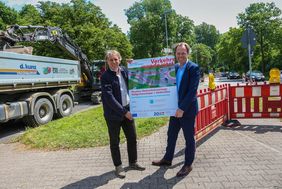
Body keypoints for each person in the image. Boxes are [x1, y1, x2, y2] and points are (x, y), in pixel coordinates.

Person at [152, 42, 200, 177]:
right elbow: (157, 72)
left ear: (187, 53)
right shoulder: (174, 67)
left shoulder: (193, 68)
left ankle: (188, 165)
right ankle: (167, 159)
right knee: (171, 135)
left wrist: (182, 108)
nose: (180, 55)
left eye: (183, 53)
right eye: (178, 53)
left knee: (189, 138)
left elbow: (192, 91)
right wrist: (133, 65)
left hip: (187, 111)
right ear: (175, 54)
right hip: (174, 110)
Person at [101, 50, 145, 179]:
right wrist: (124, 112)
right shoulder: (105, 76)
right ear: (107, 61)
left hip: (127, 110)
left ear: (120, 59)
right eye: (111, 60)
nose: (114, 62)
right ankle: (118, 166)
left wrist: (134, 64)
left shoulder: (125, 71)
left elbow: (138, 75)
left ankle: (133, 162)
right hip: (114, 115)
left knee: (132, 138)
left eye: (116, 59)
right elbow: (109, 98)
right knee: (115, 141)